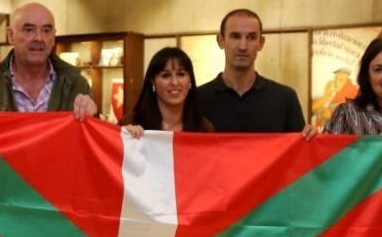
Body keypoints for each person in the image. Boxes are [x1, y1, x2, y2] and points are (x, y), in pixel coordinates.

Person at [0, 2, 97, 120]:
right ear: (11, 35)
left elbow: (93, 141)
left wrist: (93, 115)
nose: (39, 38)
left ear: (54, 37)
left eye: (46, 31)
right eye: (29, 30)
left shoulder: (77, 85)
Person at [197, 8, 317, 139]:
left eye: (251, 37)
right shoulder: (197, 100)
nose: (243, 46)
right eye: (235, 36)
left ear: (261, 42)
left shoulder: (285, 98)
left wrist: (311, 138)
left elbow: (298, 153)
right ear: (221, 40)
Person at [119, 47, 213, 138]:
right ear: (153, 81)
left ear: (190, 80)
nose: (175, 82)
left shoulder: (204, 128)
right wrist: (124, 137)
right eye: (166, 75)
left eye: (181, 74)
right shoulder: (130, 123)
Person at [322, 37, 382, 135]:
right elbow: (326, 149)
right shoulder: (346, 114)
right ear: (366, 75)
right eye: (378, 70)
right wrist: (312, 141)